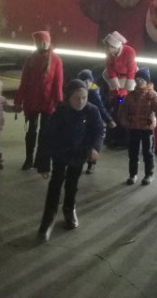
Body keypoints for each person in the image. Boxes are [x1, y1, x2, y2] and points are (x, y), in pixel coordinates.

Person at [35, 79, 103, 241]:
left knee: (72, 184)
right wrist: (43, 164)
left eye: (84, 98)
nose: (81, 102)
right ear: (68, 98)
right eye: (76, 98)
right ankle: (48, 220)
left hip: (79, 155)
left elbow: (98, 131)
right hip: (60, 153)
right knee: (55, 185)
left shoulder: (92, 111)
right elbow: (45, 139)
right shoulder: (59, 114)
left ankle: (69, 209)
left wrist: (95, 148)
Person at [14, 31, 63, 170]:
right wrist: (18, 101)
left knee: (45, 133)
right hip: (31, 102)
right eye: (40, 41)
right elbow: (24, 81)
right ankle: (29, 158)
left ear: (49, 42)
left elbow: (58, 83)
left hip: (48, 102)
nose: (43, 44)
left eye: (45, 41)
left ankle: (40, 159)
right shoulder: (30, 59)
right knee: (30, 132)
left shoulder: (56, 60)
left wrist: (58, 101)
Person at [117, 68, 157, 186]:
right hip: (133, 128)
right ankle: (133, 174)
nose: (139, 82)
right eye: (137, 79)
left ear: (147, 81)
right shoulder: (131, 95)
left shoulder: (152, 95)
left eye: (141, 79)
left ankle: (149, 175)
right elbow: (123, 109)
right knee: (133, 153)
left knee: (148, 152)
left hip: (147, 129)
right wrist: (123, 121)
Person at [77, 69, 115, 174]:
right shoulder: (77, 91)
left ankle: (91, 163)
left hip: (95, 120)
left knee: (94, 143)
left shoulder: (94, 92)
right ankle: (80, 161)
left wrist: (109, 120)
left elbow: (101, 107)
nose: (87, 83)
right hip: (82, 121)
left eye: (89, 81)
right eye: (84, 81)